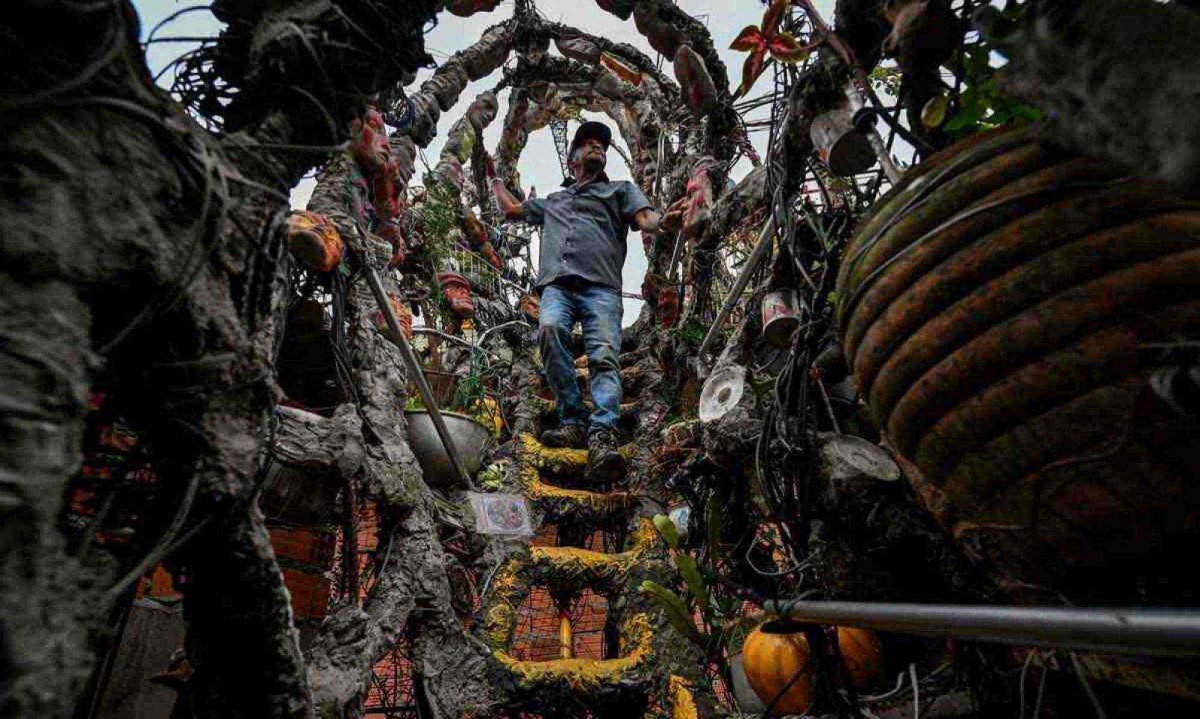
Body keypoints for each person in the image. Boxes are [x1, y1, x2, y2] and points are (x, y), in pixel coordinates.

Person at [487, 121, 672, 481]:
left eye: (600, 146)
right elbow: (511, 211)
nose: (596, 149)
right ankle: (572, 417)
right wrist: (495, 179)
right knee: (551, 329)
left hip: (601, 289)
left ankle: (602, 434)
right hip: (556, 286)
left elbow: (647, 218)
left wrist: (666, 222)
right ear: (572, 159)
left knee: (603, 356)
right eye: (587, 144)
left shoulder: (620, 191)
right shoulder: (554, 201)